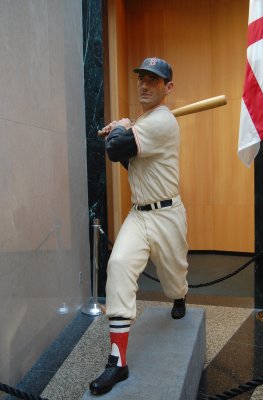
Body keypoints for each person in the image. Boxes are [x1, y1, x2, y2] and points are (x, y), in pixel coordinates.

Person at [90, 57, 189, 395]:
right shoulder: (145, 121)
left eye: (154, 80)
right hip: (139, 214)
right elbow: (121, 157)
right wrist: (126, 128)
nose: (145, 85)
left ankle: (179, 297)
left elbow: (115, 146)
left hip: (167, 215)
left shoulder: (162, 121)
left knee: (173, 281)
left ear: (168, 88)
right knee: (117, 265)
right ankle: (117, 362)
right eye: (142, 79)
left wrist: (120, 127)